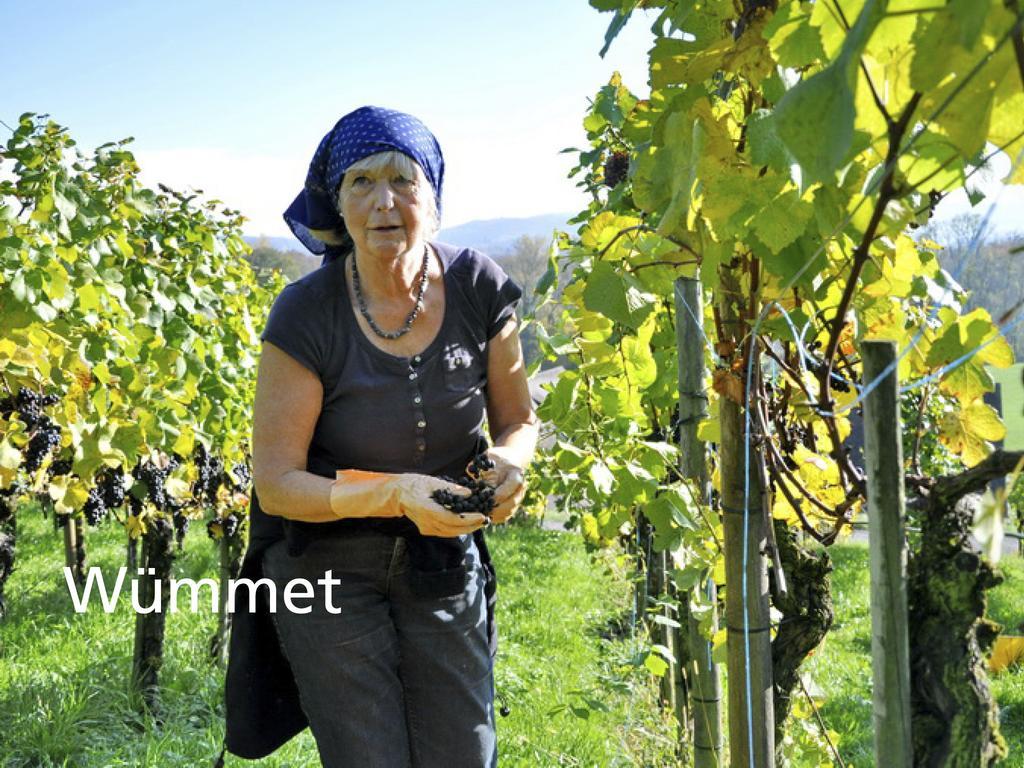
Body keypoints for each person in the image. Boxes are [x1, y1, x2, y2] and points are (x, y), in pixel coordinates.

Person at [221, 106, 538, 768]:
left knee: (463, 752)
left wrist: (511, 465)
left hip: (443, 557)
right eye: (360, 182)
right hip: (325, 566)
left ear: (434, 194)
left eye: (403, 180)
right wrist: (396, 493)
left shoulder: (478, 285)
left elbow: (517, 422)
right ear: (336, 203)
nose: (383, 202)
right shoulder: (307, 313)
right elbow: (277, 484)